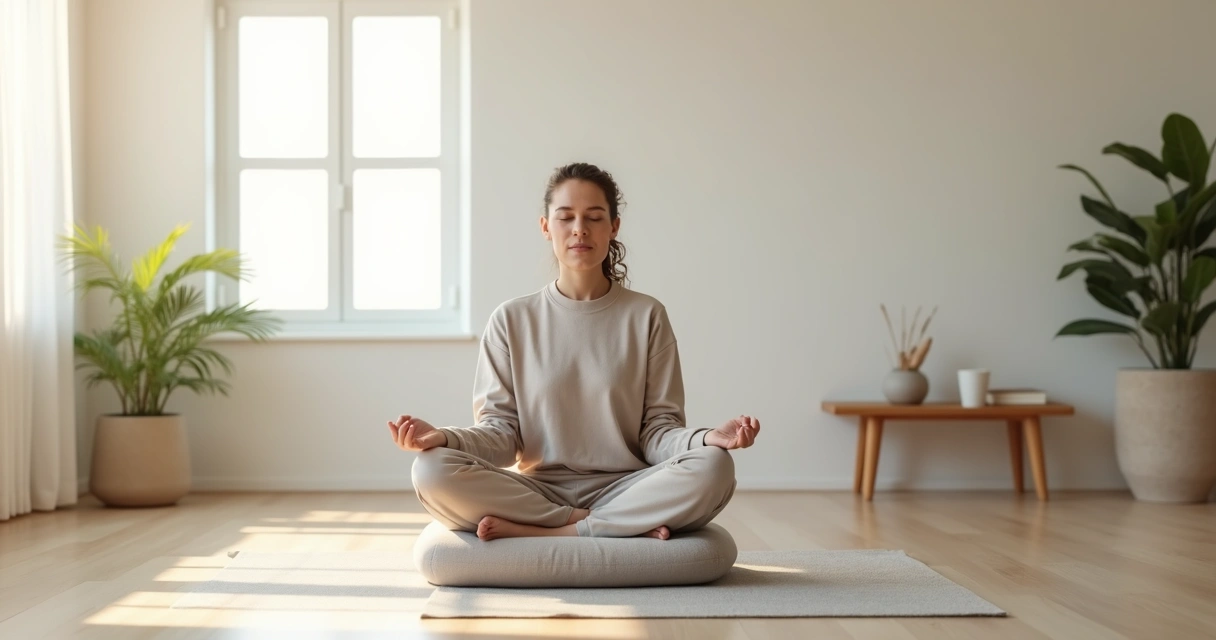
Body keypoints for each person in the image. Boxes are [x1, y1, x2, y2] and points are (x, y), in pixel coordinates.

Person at [387, 162, 761, 541]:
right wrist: (444, 439)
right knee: (430, 470)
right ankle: (608, 525)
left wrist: (707, 438)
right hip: (538, 490)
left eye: (594, 217)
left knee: (714, 466)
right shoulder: (511, 319)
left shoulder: (647, 315)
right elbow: (500, 434)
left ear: (613, 227)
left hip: (628, 487)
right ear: (546, 227)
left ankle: (551, 531)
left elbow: (657, 433)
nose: (579, 229)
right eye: (565, 217)